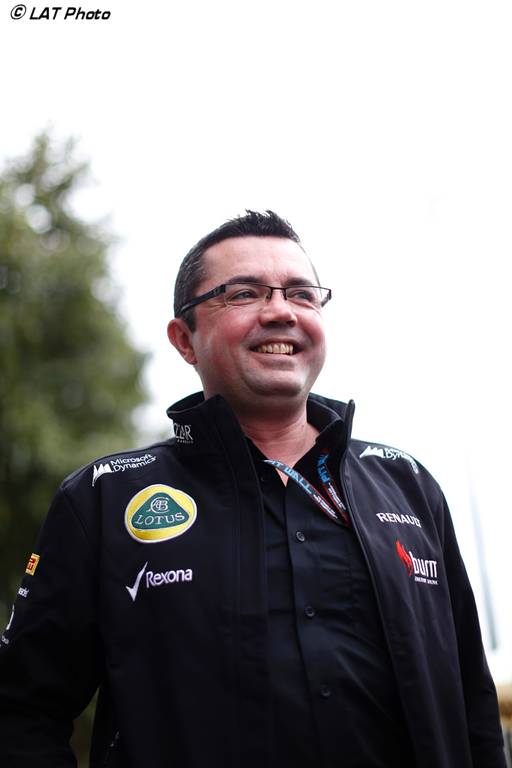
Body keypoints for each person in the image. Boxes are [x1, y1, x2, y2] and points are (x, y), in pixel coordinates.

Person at [0, 210, 505, 768]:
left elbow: (472, 706)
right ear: (184, 339)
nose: (281, 312)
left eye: (302, 294)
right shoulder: (102, 499)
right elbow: (21, 710)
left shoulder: (408, 487)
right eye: (244, 294)